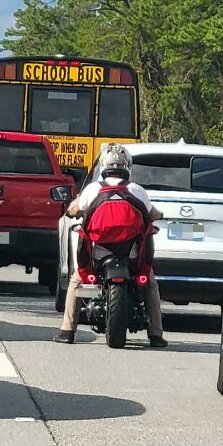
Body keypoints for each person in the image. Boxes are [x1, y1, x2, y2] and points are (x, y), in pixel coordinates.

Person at [53, 143, 168, 347]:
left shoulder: (93, 190)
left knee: (77, 281)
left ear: (104, 165)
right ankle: (156, 334)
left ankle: (67, 331)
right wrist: (158, 215)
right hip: (131, 254)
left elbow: (74, 210)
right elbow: (153, 214)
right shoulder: (136, 190)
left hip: (99, 254)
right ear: (127, 166)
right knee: (149, 283)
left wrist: (73, 211)